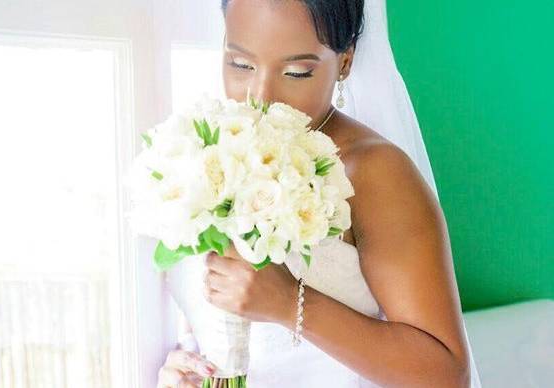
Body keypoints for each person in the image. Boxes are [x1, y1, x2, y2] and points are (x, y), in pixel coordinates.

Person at [157, 0, 482, 387]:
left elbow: (446, 374)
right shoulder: (206, 153)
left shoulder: (374, 173)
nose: (259, 97)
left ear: (344, 62)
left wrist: (286, 303)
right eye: (241, 64)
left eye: (296, 72)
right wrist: (191, 366)